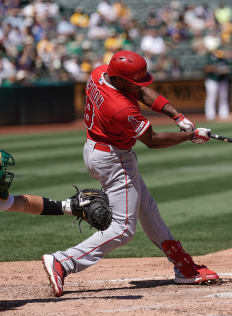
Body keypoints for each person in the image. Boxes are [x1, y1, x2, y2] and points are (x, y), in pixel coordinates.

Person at [41, 50, 219, 298]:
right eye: (134, 80)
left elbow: (143, 92)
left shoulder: (101, 72)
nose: (138, 84)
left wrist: (177, 116)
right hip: (113, 158)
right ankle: (64, 261)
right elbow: (153, 141)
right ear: (122, 80)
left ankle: (184, 266)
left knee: (147, 208)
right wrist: (191, 136)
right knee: (123, 229)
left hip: (98, 149)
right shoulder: (121, 108)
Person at [204, 49, 231, 121]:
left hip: (222, 80)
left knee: (223, 97)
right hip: (212, 80)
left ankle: (224, 113)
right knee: (211, 97)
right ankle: (210, 115)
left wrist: (223, 70)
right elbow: (206, 68)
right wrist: (215, 69)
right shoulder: (209, 58)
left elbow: (229, 68)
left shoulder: (223, 59)